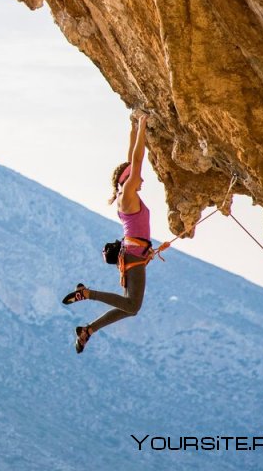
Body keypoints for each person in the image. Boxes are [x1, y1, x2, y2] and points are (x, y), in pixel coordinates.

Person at [62, 112, 152, 354]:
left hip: (134, 254)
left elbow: (130, 160)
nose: (141, 179)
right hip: (133, 255)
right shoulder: (128, 194)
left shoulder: (128, 193)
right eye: (135, 176)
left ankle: (88, 330)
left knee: (129, 305)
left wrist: (133, 128)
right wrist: (142, 127)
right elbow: (137, 159)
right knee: (132, 306)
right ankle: (87, 294)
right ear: (128, 179)